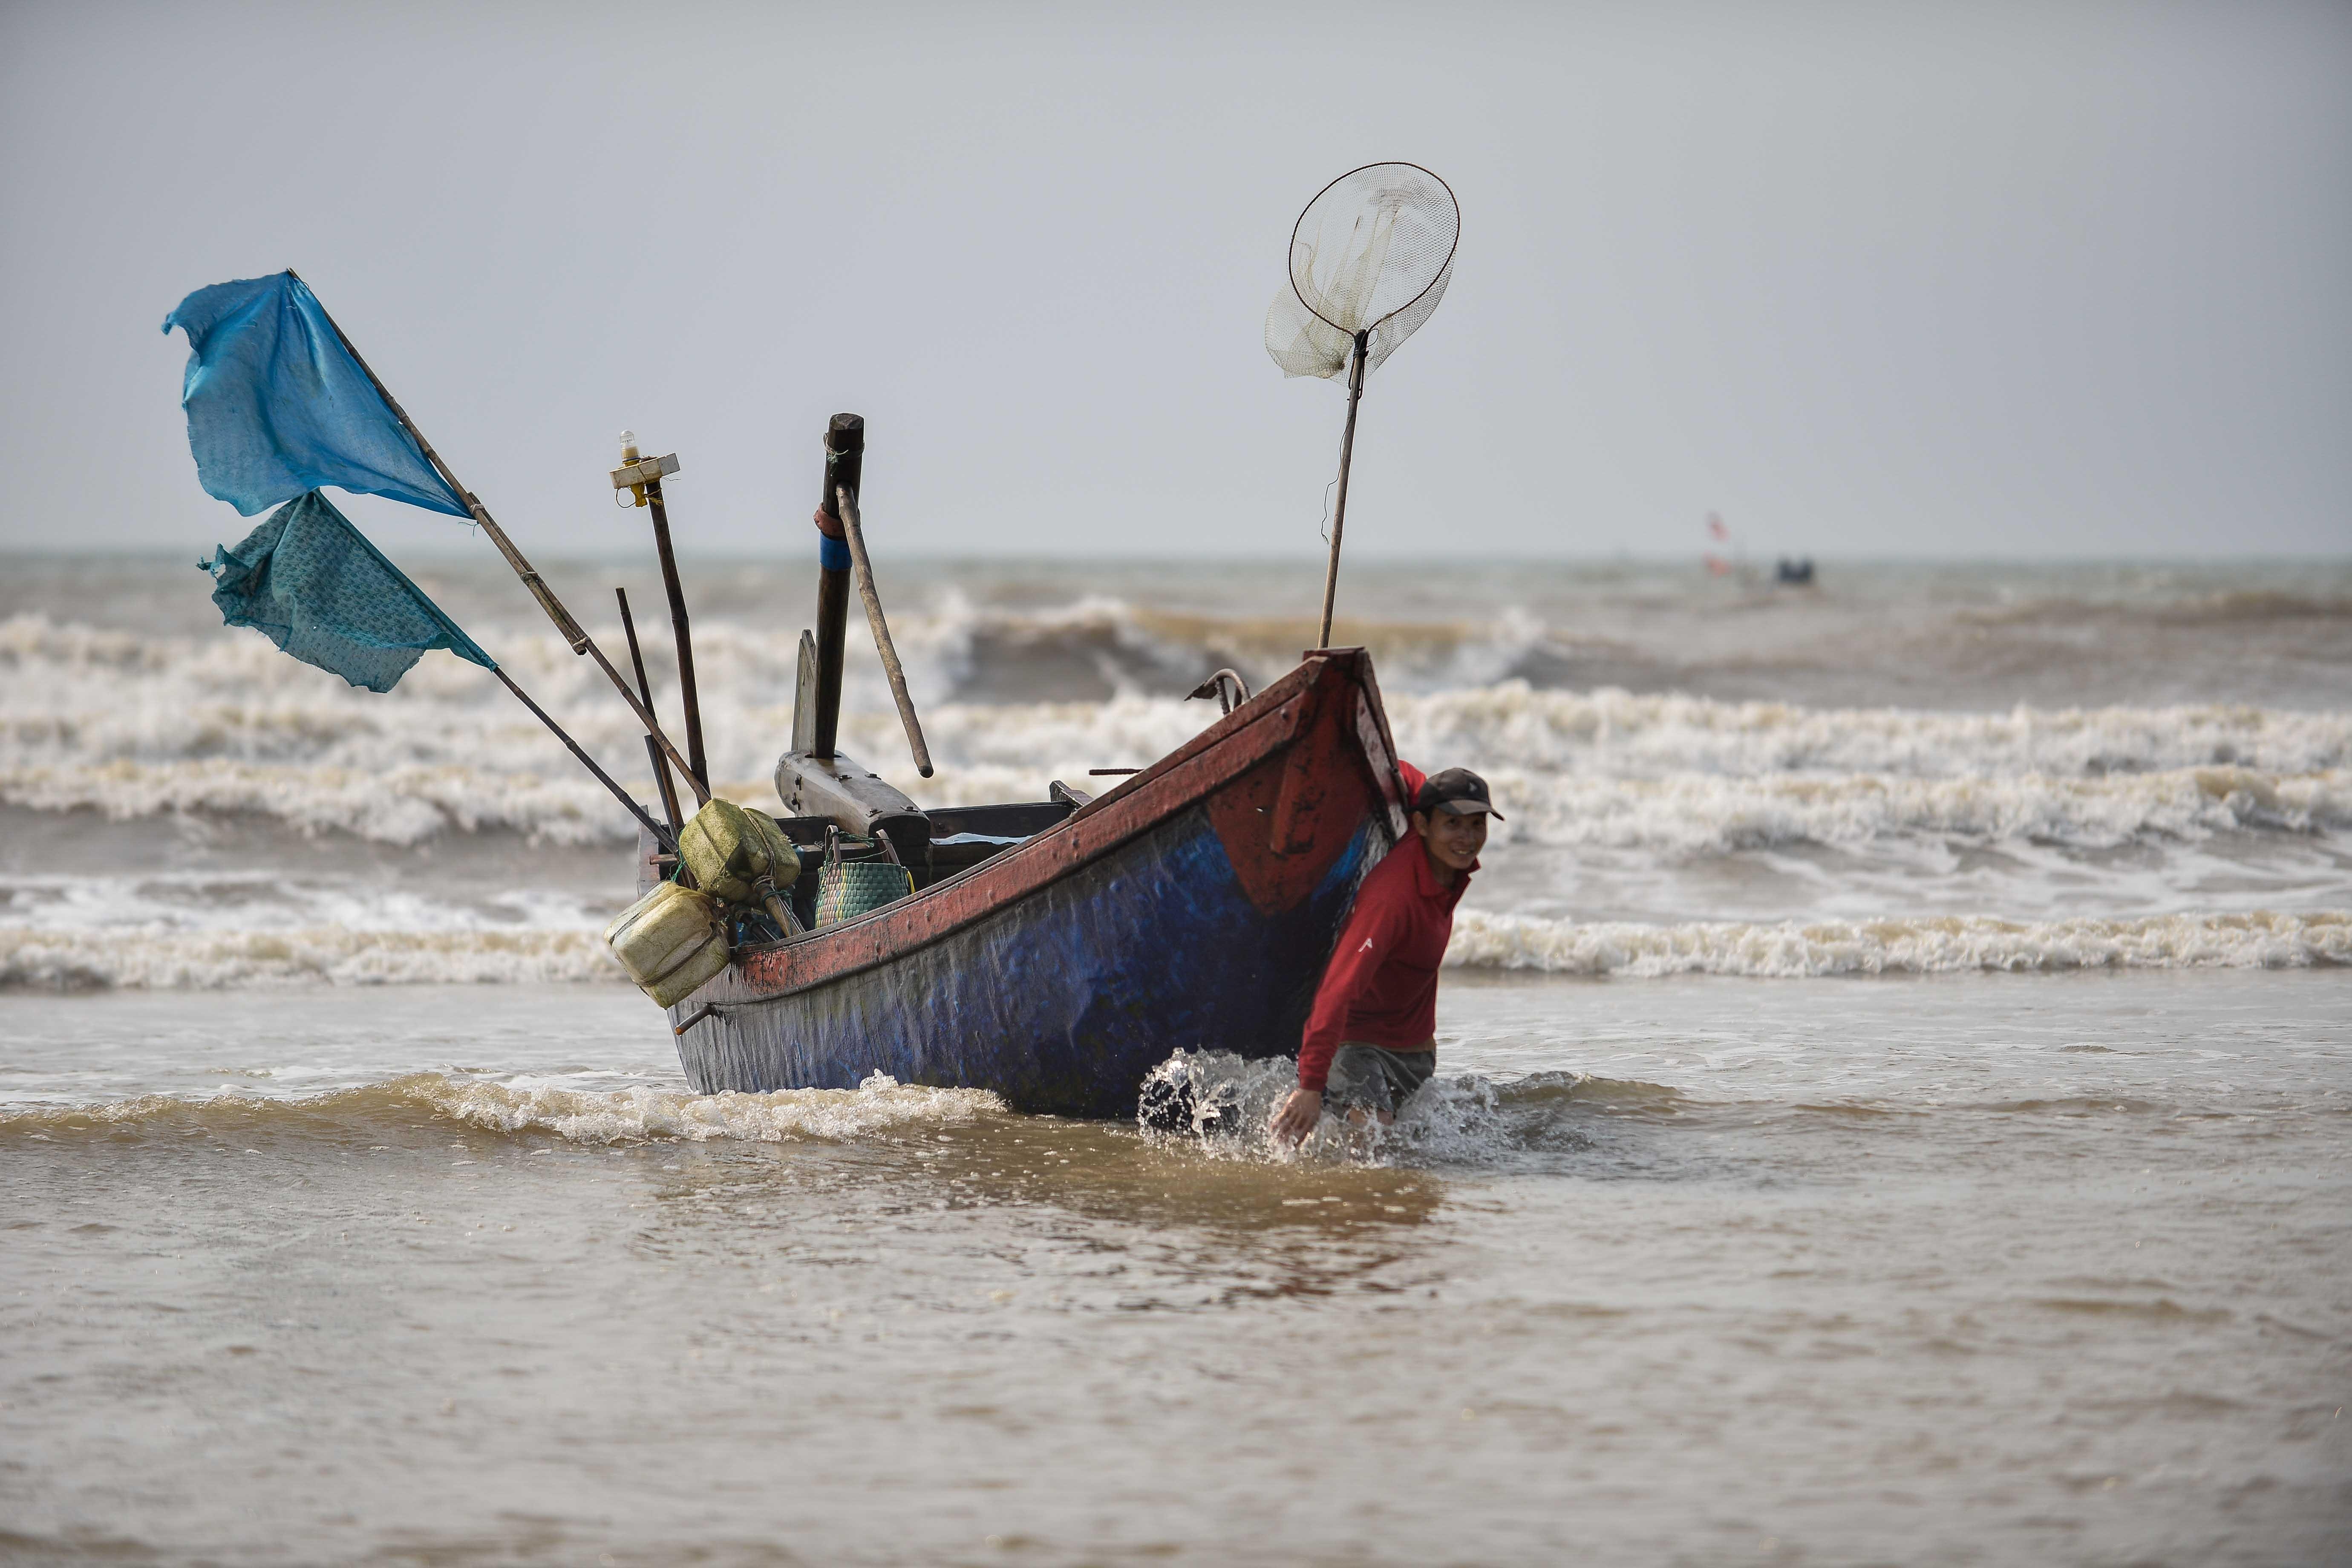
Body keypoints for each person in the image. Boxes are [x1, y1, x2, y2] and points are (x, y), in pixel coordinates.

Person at [1270, 766, 1502, 1144]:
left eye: (1477, 825)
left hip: (1415, 1057)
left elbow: (1399, 772)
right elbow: (1337, 991)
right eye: (1454, 824)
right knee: (1375, 1144)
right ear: (1422, 825)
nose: (1467, 838)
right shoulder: (1391, 901)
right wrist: (1310, 1085)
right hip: (1359, 1046)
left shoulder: (1444, 862)